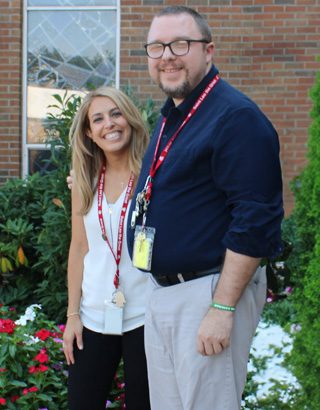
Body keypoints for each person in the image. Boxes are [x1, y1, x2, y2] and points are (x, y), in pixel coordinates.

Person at [127, 6, 284, 410]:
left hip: (207, 294)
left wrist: (221, 307)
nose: (167, 56)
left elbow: (256, 219)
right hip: (164, 293)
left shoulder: (236, 118)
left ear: (208, 50)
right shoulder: (172, 117)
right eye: (156, 47)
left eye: (180, 44)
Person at [63, 87, 151, 410]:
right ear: (89, 132)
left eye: (116, 113)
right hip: (94, 318)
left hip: (146, 317)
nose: (109, 124)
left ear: (129, 118)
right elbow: (79, 248)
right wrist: (73, 315)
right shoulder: (84, 182)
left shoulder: (152, 175)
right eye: (98, 119)